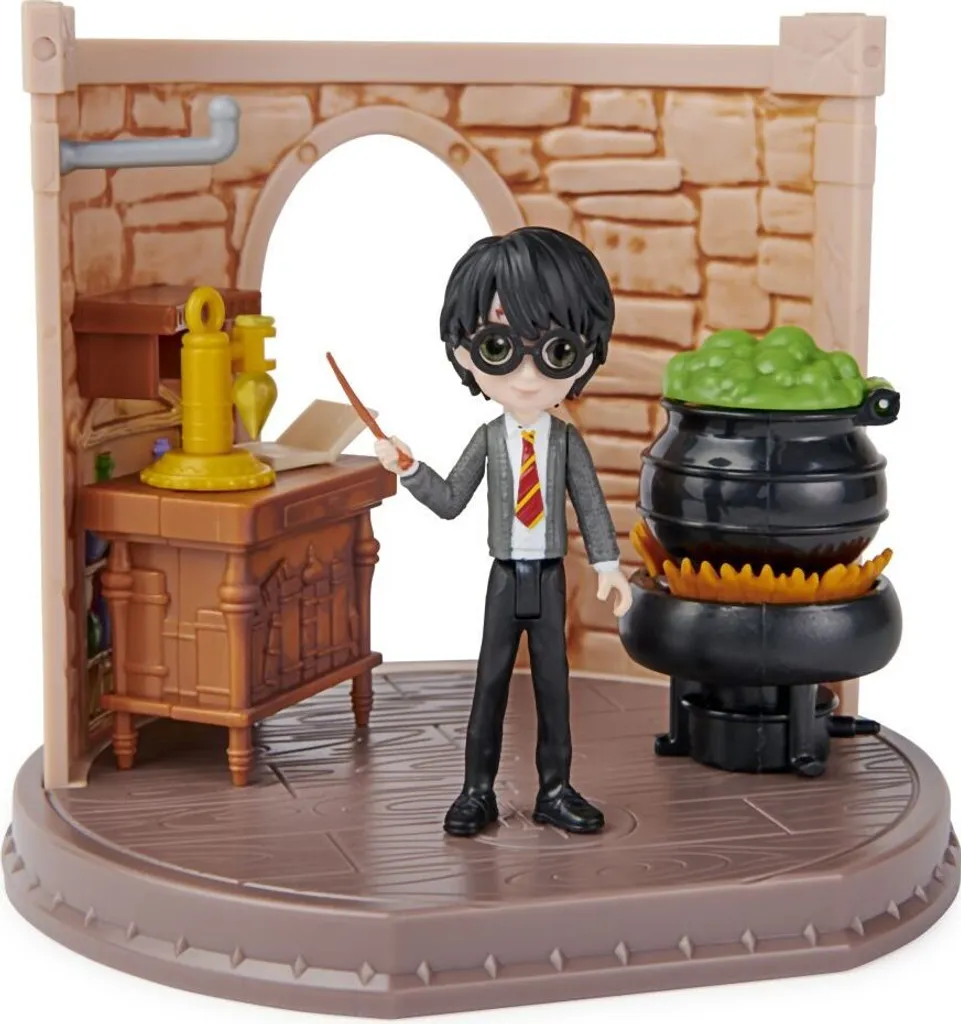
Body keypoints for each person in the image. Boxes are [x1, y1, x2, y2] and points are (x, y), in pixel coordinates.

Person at [375, 226, 631, 837]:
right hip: (504, 578)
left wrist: (608, 565)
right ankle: (476, 791)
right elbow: (450, 500)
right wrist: (409, 469)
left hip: (549, 579)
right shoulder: (489, 440)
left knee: (554, 687)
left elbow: (591, 505)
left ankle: (555, 789)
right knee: (489, 684)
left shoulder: (565, 442)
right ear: (466, 353)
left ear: (586, 356)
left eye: (556, 352)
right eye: (499, 346)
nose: (527, 375)